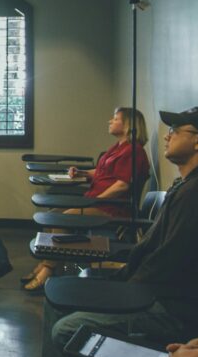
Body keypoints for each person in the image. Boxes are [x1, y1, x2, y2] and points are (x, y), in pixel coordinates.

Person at [27, 106, 198, 357]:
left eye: (176, 130)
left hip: (169, 307)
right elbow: (154, 252)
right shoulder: (188, 186)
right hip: (148, 289)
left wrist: (118, 287)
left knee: (66, 327)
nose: (167, 135)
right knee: (56, 295)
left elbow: (169, 264)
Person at [23, 107, 151, 292]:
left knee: (63, 219)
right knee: (53, 215)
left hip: (111, 209)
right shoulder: (118, 148)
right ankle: (47, 264)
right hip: (97, 202)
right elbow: (101, 172)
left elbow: (122, 185)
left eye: (115, 119)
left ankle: (48, 270)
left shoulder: (134, 151)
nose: (110, 121)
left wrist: (95, 200)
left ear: (129, 125)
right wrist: (82, 172)